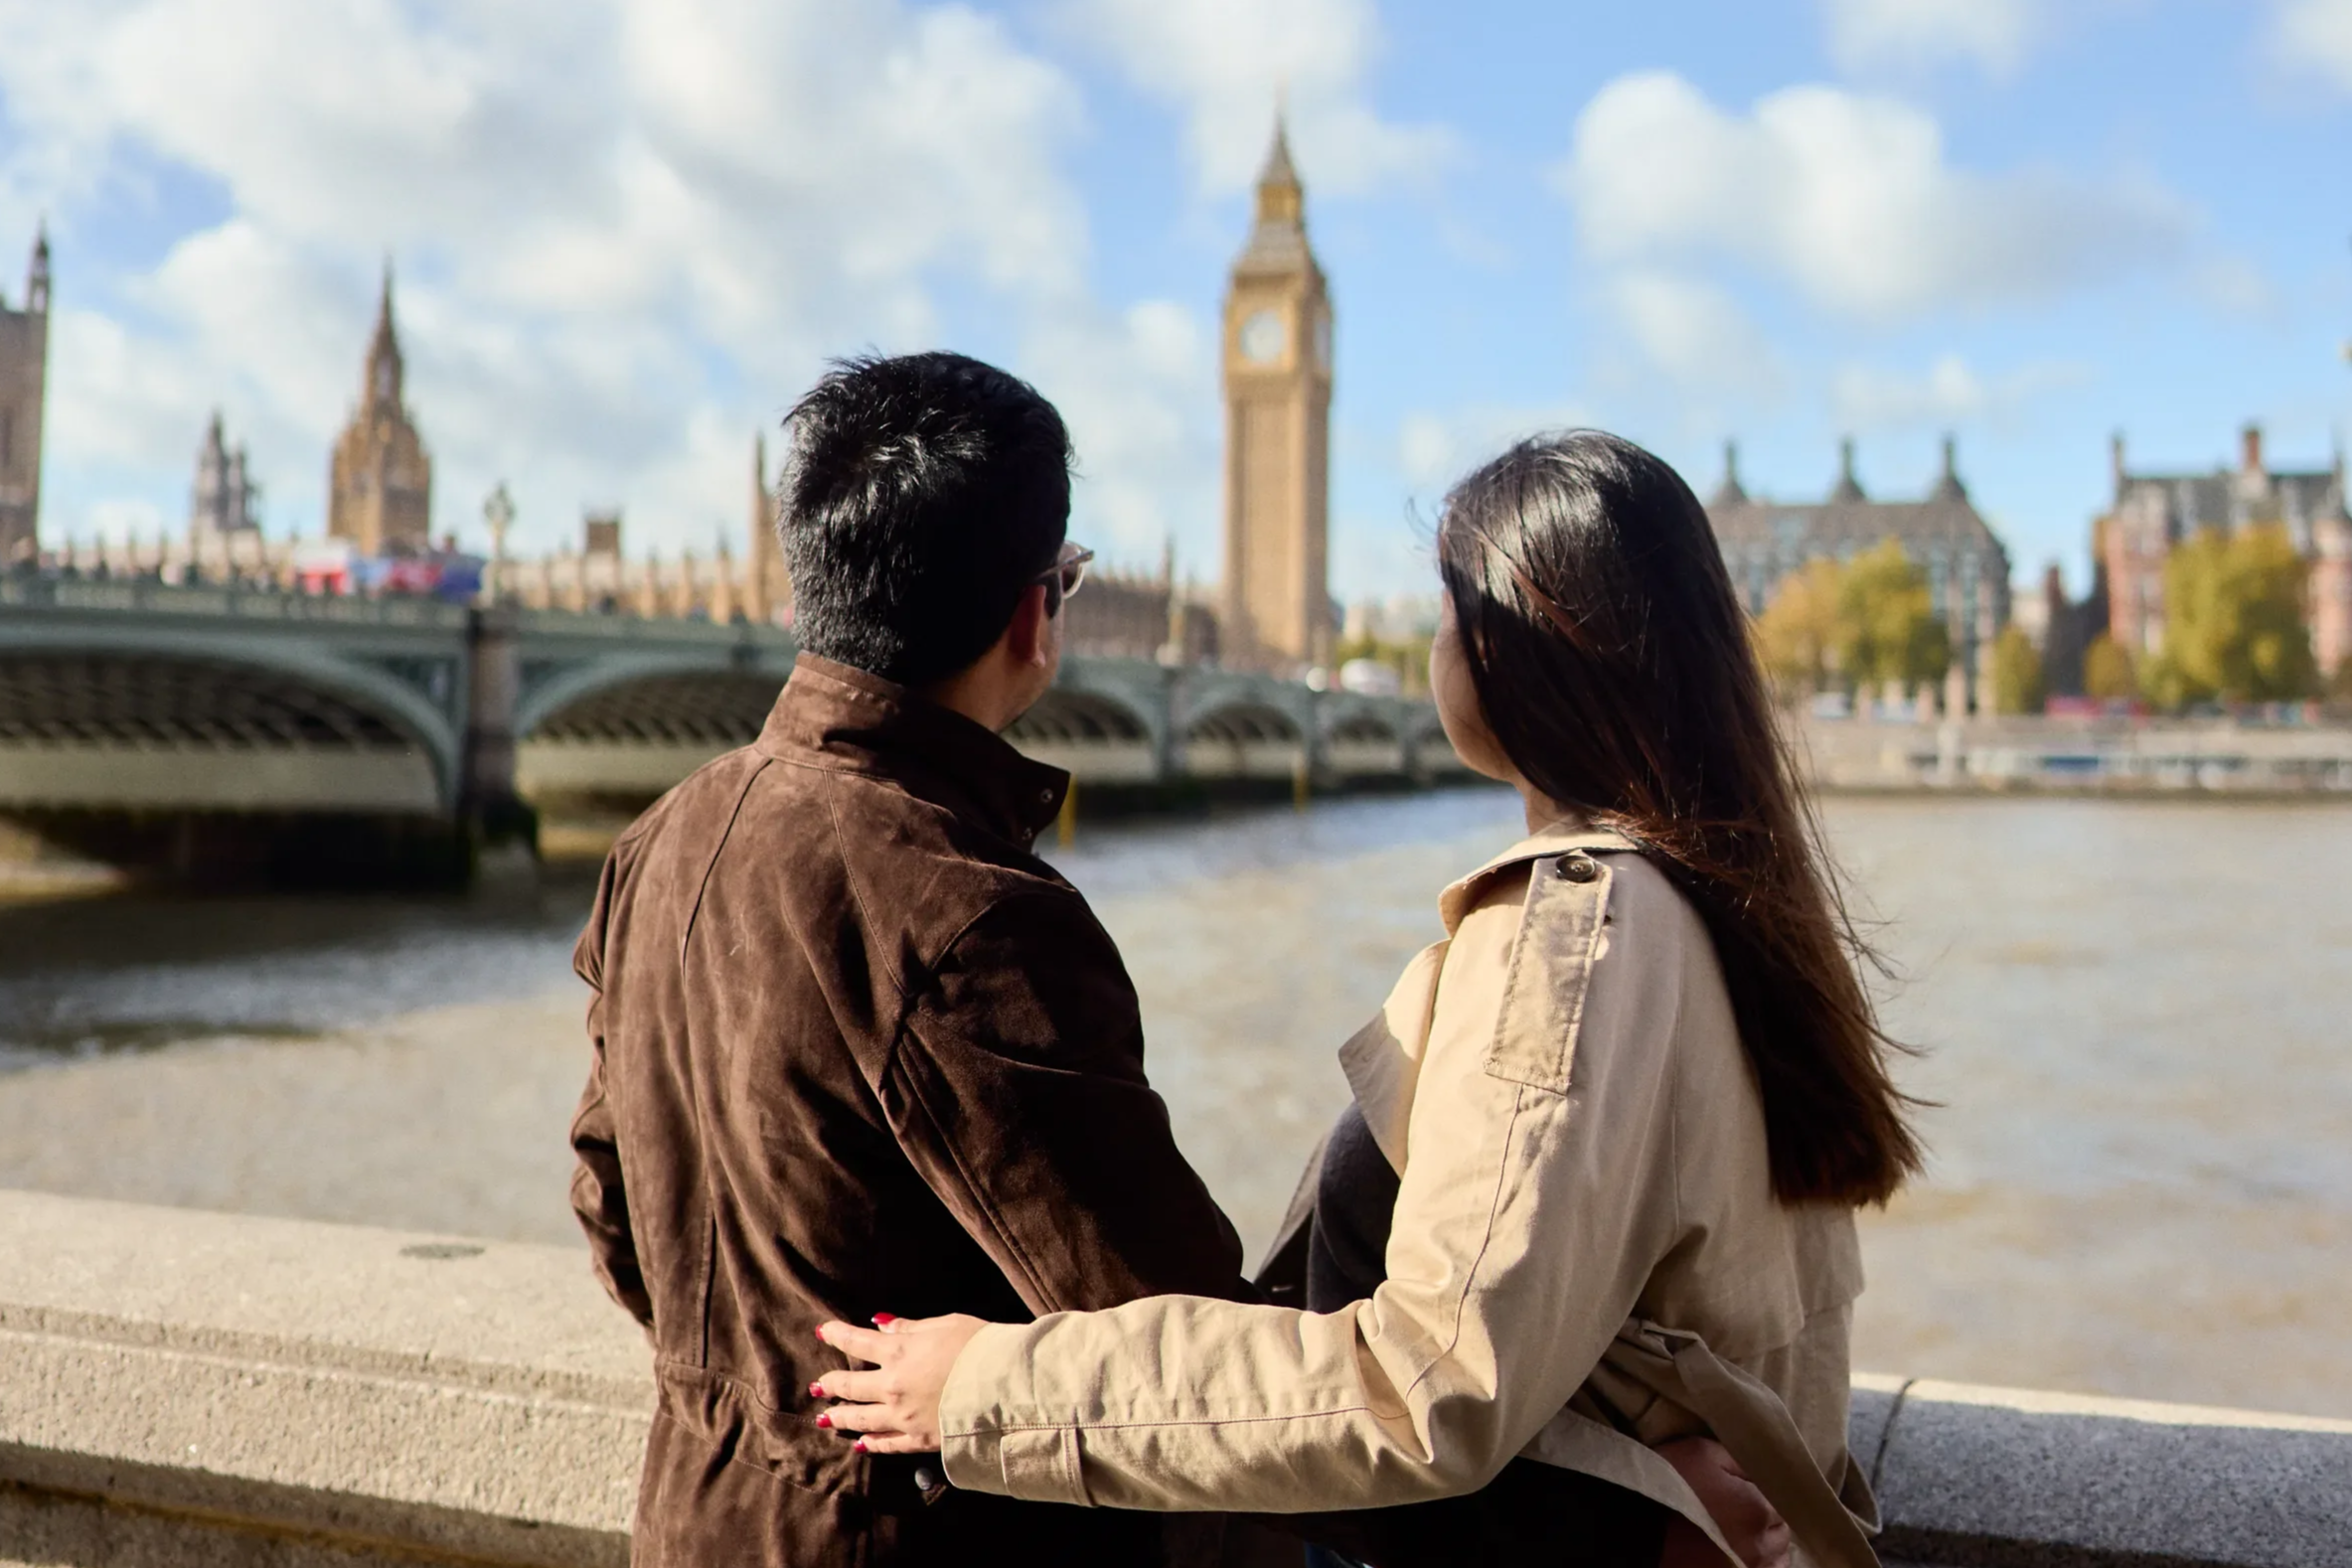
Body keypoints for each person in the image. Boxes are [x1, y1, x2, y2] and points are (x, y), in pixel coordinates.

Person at [809, 430, 1924, 1568]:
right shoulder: (1730, 908)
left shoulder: (1575, 939)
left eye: (1446, 615)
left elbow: (1426, 1386)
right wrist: (1630, 1484)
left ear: (1515, 647)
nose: (1437, 649)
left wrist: (986, 1390)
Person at [567, 351, 1258, 1566]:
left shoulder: (657, 844)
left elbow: (613, 1205)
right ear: (1035, 614)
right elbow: (1170, 1333)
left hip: (695, 1520)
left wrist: (773, 1392)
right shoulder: (974, 914)